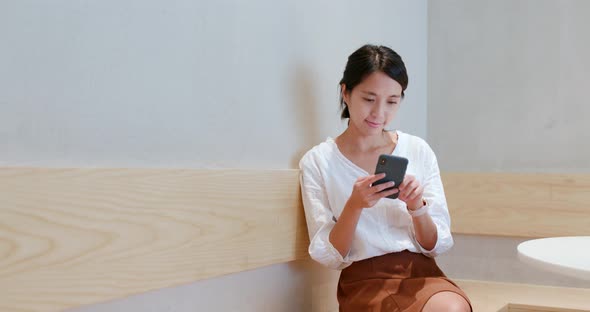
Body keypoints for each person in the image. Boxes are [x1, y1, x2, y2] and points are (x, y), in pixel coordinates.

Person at [299, 44, 472, 312]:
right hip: (363, 282)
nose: (380, 113)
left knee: (451, 308)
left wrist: (417, 208)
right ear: (346, 92)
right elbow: (329, 255)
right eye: (369, 99)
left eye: (392, 101)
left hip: (423, 274)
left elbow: (435, 245)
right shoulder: (318, 162)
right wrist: (354, 206)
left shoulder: (417, 150)